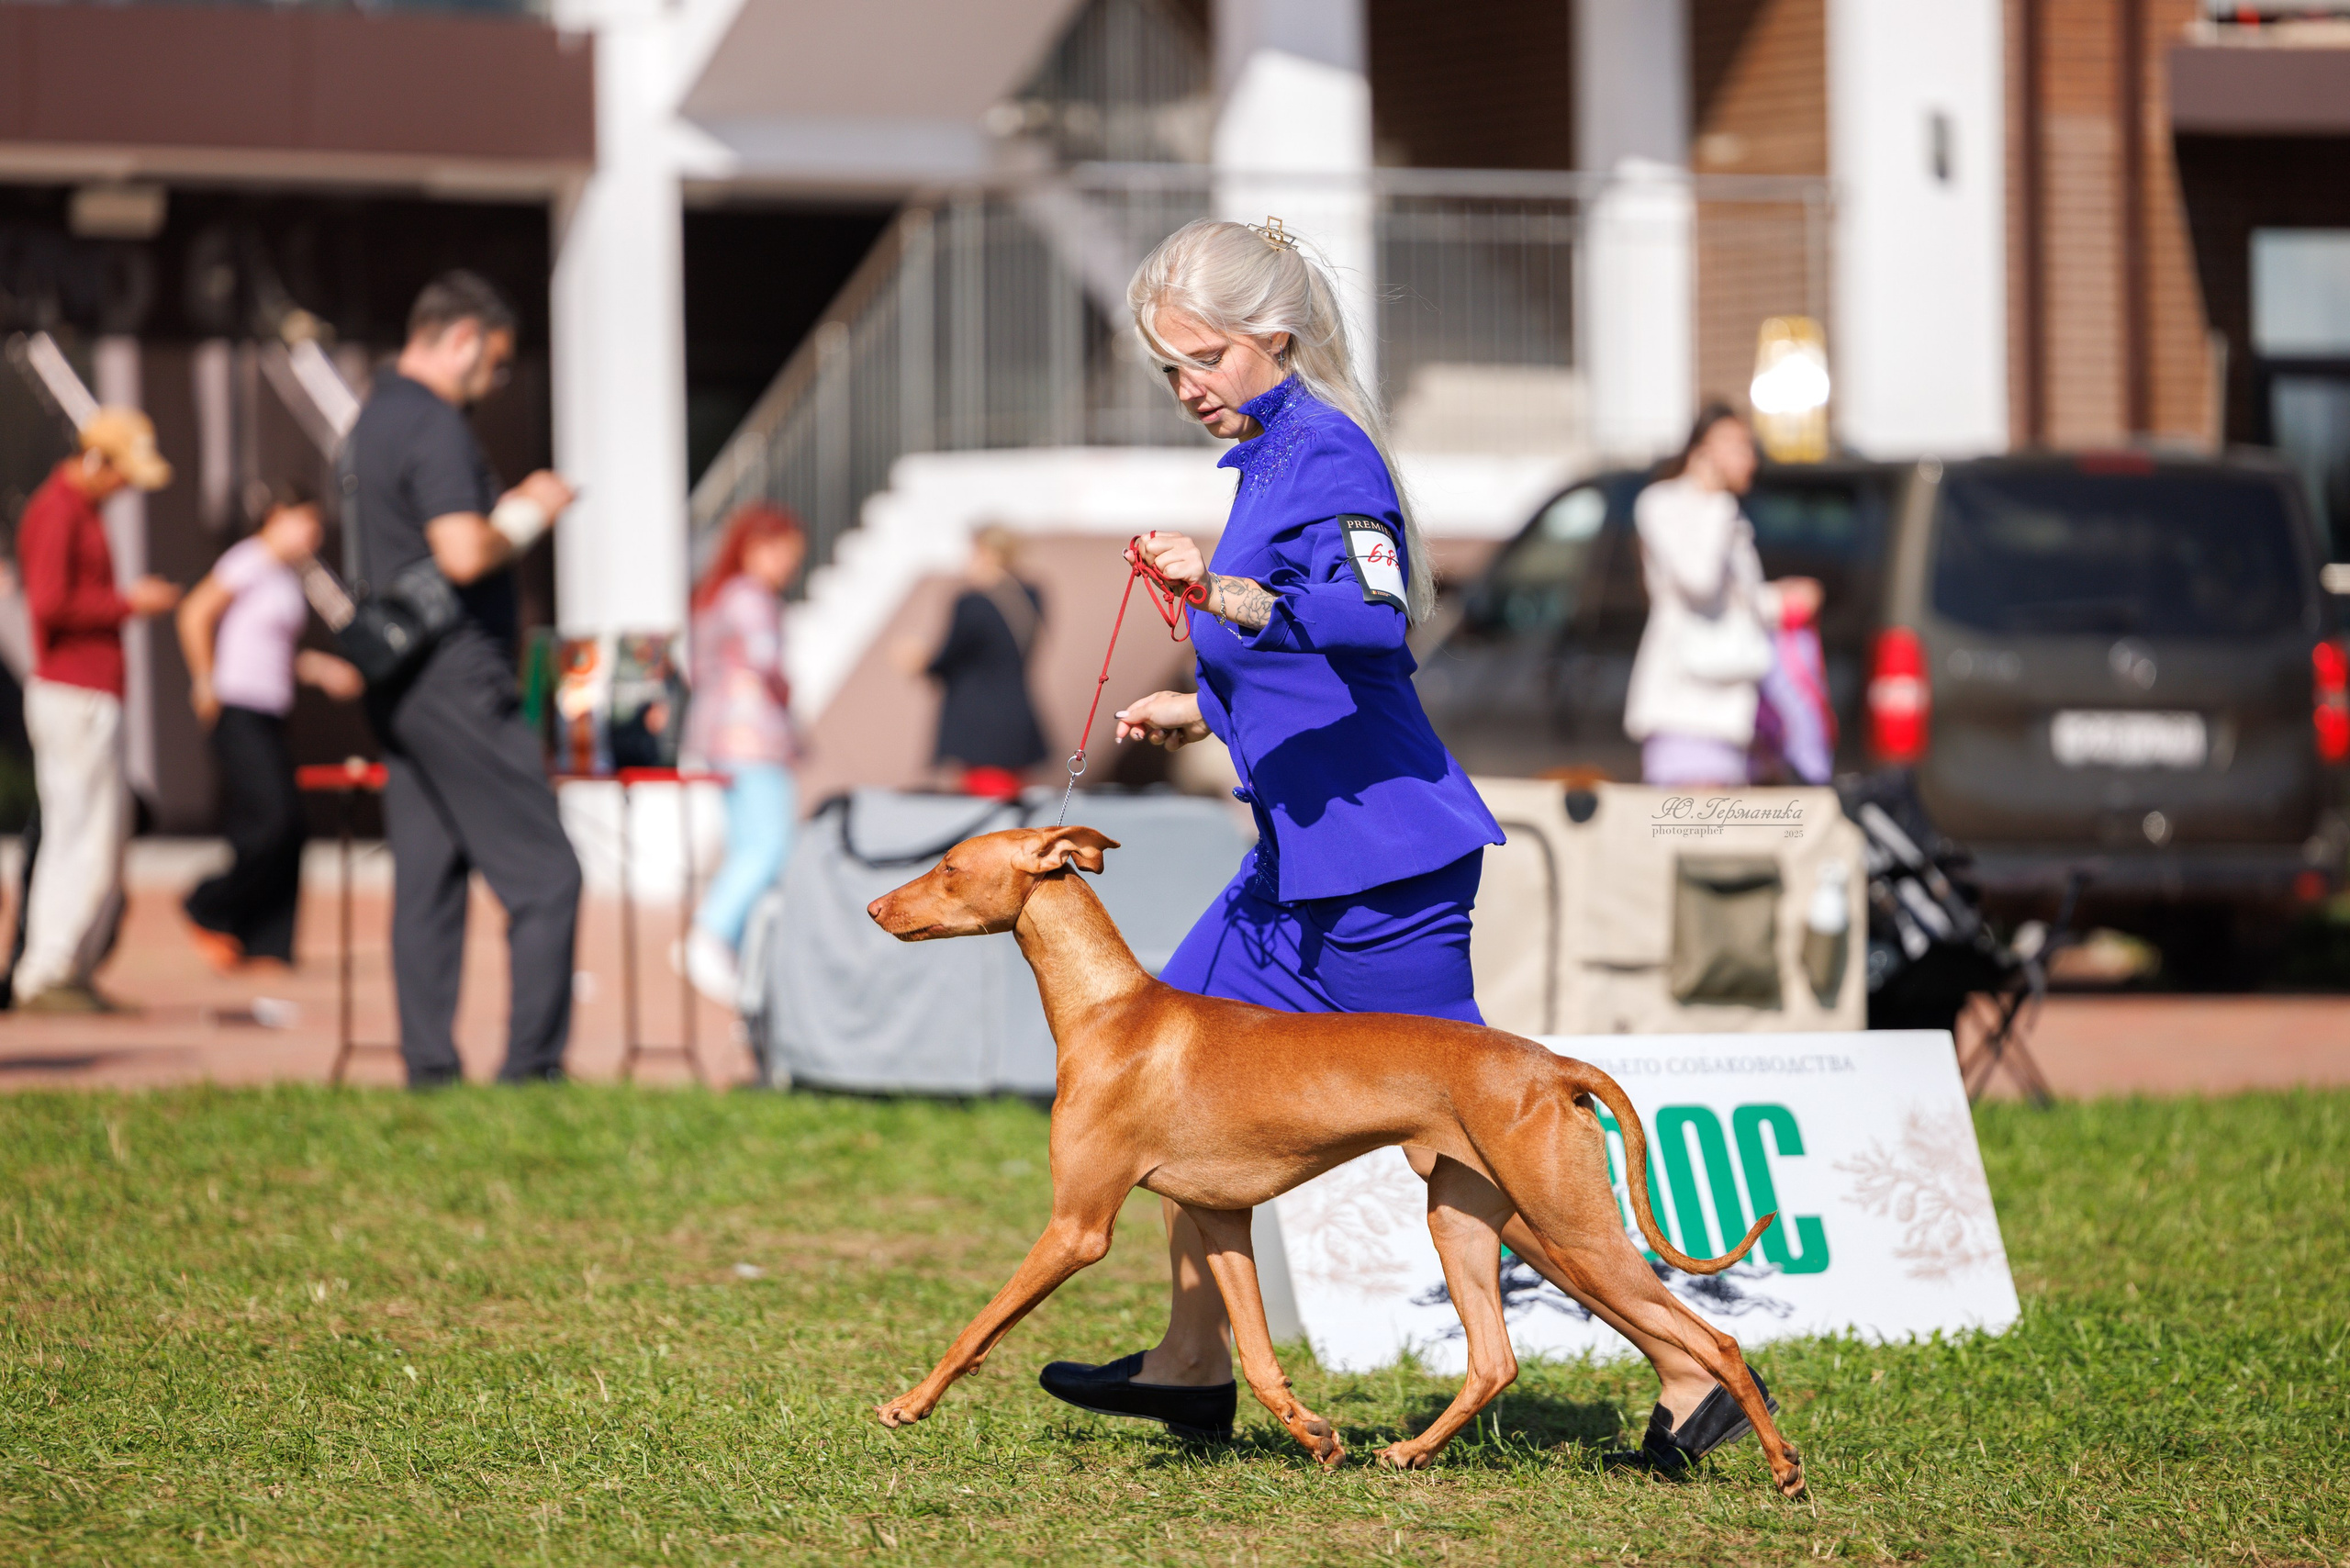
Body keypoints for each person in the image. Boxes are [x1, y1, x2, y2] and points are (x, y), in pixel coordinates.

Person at [349, 270, 580, 1087]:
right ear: (461, 339)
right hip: (457, 675)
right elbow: (461, 551)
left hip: (400, 680)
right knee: (549, 875)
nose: (499, 379)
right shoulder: (435, 424)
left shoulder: (373, 418)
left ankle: (430, 1068)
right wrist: (532, 509)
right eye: (498, 361)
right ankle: (533, 1069)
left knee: (430, 875)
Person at [8, 409, 182, 1013]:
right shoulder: (58, 512)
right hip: (72, 690)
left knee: (95, 833)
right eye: (124, 475)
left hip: (87, 688)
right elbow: (51, 605)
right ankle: (50, 968)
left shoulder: (81, 511)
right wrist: (127, 603)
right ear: (98, 460)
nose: (126, 489)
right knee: (80, 834)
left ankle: (67, 966)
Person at [175, 480, 364, 971]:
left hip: (272, 708)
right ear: (279, 516)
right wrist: (203, 680)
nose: (314, 536)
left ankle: (262, 941)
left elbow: (273, 648)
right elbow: (195, 613)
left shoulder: (286, 577)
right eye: (308, 523)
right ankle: (209, 903)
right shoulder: (248, 560)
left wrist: (320, 670)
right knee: (273, 818)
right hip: (236, 705)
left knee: (289, 826)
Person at [1623, 403, 1821, 788]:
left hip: (1733, 711)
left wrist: (1782, 599)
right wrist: (1714, 499)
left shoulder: (1728, 512)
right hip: (1687, 709)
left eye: (1749, 446)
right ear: (1701, 451)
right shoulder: (1664, 503)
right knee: (1697, 836)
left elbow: (1736, 605)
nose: (1749, 458)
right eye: (1736, 445)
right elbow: (1698, 582)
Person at [678, 502, 804, 1005]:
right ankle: (711, 934)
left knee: (749, 843)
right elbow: (766, 658)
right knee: (769, 846)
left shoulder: (716, 596)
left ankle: (729, 948)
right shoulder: (751, 598)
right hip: (753, 741)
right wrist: (785, 690)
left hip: (719, 738)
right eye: (786, 553)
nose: (789, 565)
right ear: (756, 547)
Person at [910, 525, 1046, 801]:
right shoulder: (1031, 596)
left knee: (985, 816)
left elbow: (947, 660)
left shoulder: (972, 603)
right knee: (1015, 811)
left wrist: (918, 662)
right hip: (1017, 719)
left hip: (978, 725)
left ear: (987, 554)